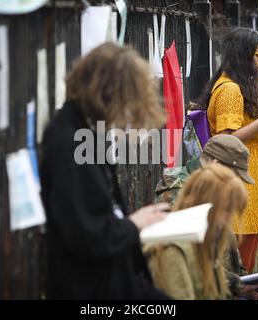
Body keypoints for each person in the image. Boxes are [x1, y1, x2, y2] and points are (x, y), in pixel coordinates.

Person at [40, 43, 170, 299]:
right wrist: (134, 224)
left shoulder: (82, 131)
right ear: (109, 95)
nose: (131, 112)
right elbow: (87, 236)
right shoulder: (71, 141)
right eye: (130, 100)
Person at [198, 27, 258, 273]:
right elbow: (227, 139)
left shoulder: (237, 85)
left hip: (253, 174)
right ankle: (242, 290)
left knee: (250, 238)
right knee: (242, 241)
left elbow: (242, 122)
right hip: (241, 174)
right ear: (243, 56)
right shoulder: (230, 89)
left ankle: (247, 289)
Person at [146, 163, 257, 299]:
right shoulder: (172, 249)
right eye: (226, 210)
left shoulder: (204, 239)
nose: (228, 221)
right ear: (207, 204)